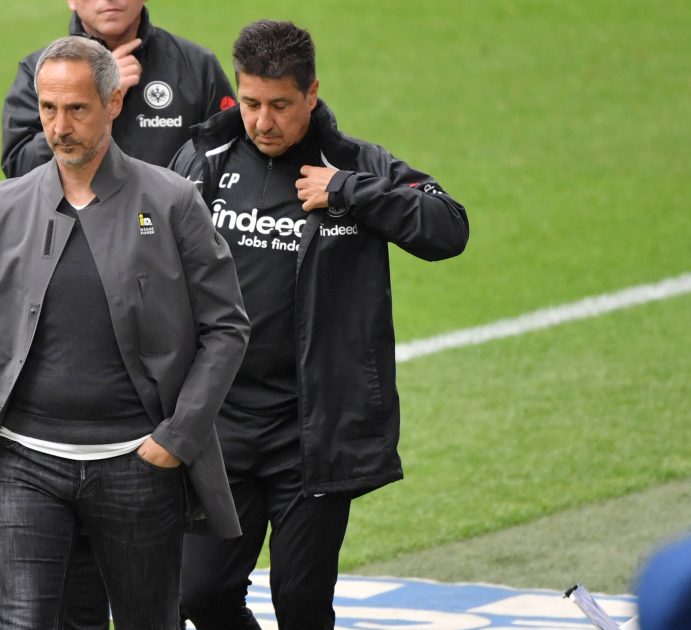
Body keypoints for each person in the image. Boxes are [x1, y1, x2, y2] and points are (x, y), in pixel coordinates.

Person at [0, 36, 249, 630]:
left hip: (138, 464)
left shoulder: (174, 201)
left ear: (114, 103)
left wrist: (176, 438)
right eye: (48, 109)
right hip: (24, 465)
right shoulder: (2, 207)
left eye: (77, 109)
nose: (59, 126)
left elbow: (226, 327)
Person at [169, 20, 470, 629]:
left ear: (311, 93)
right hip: (221, 425)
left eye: (280, 105)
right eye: (251, 102)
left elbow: (448, 227)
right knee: (197, 594)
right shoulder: (204, 161)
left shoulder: (355, 164)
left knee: (301, 604)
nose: (263, 121)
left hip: (312, 433)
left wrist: (352, 193)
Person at [1, 0, 234, 178]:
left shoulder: (196, 65)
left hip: (170, 231)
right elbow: (19, 167)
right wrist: (95, 93)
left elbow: (233, 159)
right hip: (77, 233)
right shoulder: (39, 71)